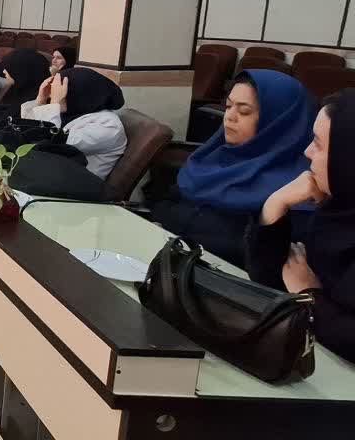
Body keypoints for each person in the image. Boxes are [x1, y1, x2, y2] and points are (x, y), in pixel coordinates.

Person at [152, 71, 315, 266]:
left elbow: (258, 258)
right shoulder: (211, 157)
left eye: (244, 111)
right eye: (228, 106)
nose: (229, 117)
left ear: (278, 121)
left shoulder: (297, 191)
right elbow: (165, 203)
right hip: (166, 259)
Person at [247, 90, 355, 364]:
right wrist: (276, 204)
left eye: (318, 143)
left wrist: (309, 296)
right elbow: (271, 277)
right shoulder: (337, 213)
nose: (307, 152)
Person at [22, 67, 127, 179]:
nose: (53, 96)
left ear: (79, 94)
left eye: (61, 92)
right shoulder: (74, 114)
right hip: (54, 175)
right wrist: (41, 101)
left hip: (76, 184)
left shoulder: (109, 126)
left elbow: (51, 146)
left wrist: (55, 104)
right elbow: (29, 137)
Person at [0, 48, 51, 128]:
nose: (4, 71)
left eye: (9, 68)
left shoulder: (37, 105)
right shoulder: (13, 94)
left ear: (22, 72)